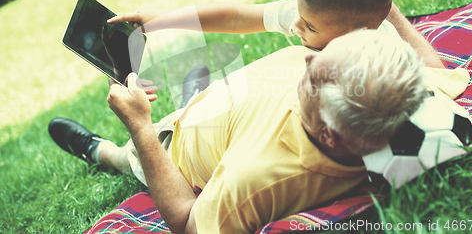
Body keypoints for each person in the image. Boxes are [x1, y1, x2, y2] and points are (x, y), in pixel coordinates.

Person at [50, 30, 430, 234]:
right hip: (226, 109)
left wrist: (140, 126)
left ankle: (99, 151)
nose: (309, 56)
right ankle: (193, 96)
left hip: (176, 148)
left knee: (129, 156)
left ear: (329, 136)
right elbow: (437, 71)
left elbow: (187, 224)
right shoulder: (398, 86)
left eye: (312, 75)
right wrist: (386, 7)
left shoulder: (254, 179)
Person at [107, 0, 445, 68]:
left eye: (308, 25)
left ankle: (107, 154)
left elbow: (436, 74)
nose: (295, 24)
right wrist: (163, 19)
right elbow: (238, 17)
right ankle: (108, 151)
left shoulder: (384, 62)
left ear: (351, 37)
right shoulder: (314, 17)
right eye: (298, 11)